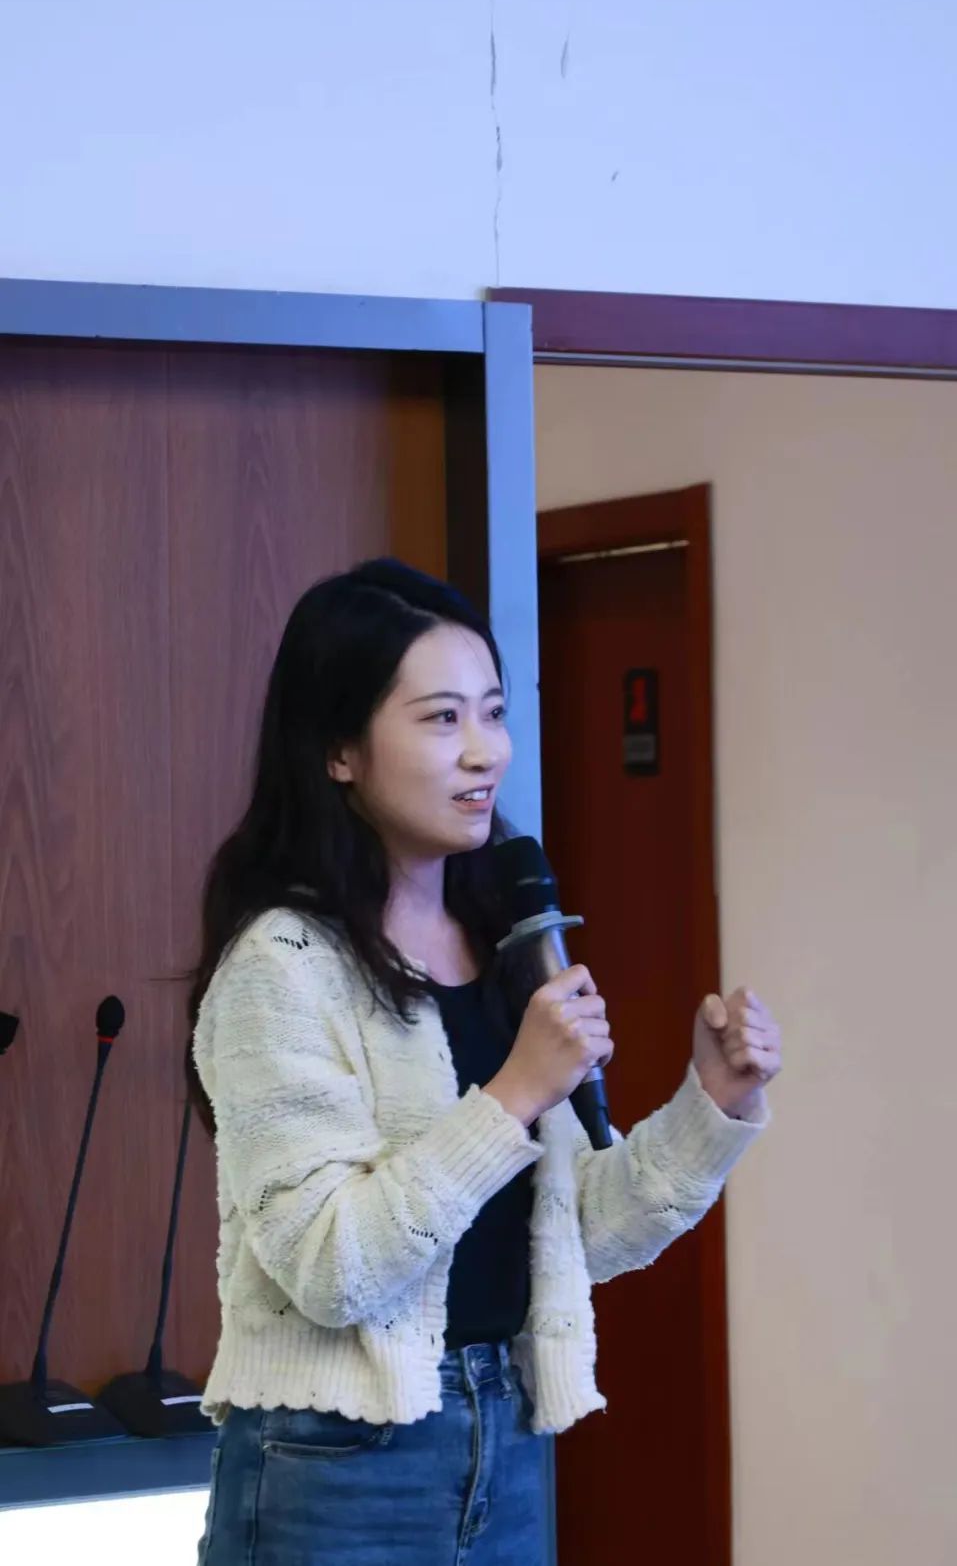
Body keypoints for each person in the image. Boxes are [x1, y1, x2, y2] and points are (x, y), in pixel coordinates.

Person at [187, 557, 781, 1565]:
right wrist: (513, 1093)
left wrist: (712, 1106)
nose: (485, 752)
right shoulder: (281, 964)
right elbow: (333, 1269)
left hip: (503, 1440)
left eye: (494, 713)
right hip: (332, 1463)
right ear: (339, 750)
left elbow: (574, 1237)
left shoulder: (501, 941)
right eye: (441, 719)